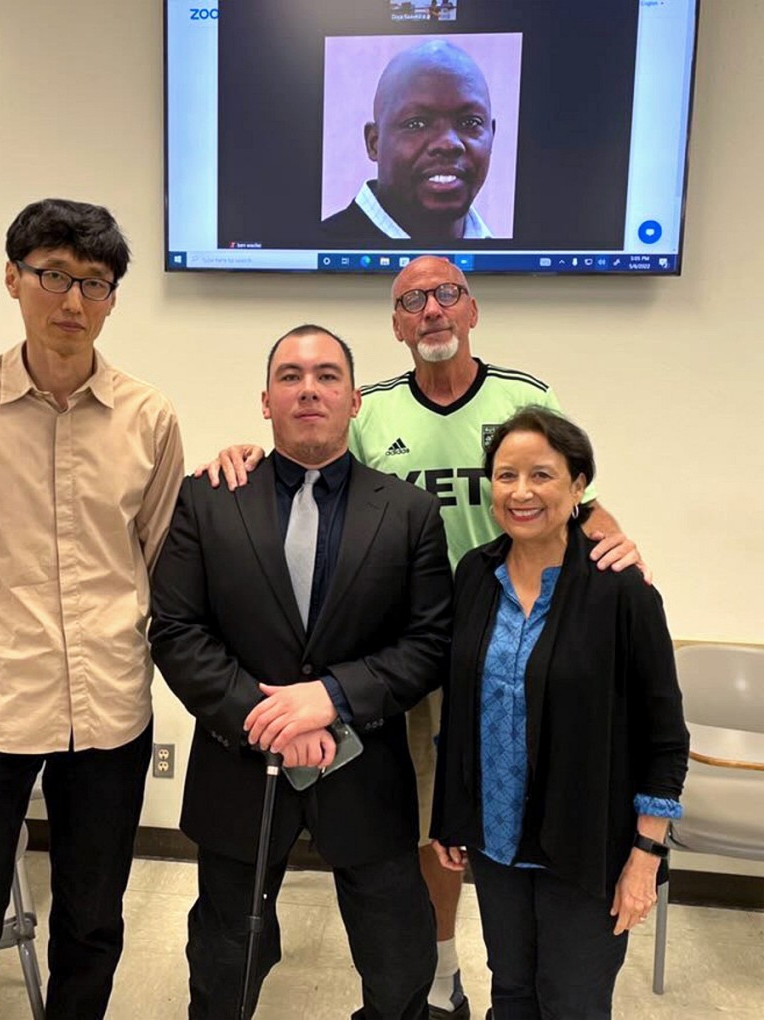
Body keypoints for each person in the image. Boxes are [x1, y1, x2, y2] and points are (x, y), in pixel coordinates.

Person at [200, 255, 645, 1019]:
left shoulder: (523, 396)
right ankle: (442, 972)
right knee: (428, 822)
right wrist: (243, 451)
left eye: (447, 295)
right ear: (396, 325)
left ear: (471, 309)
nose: (432, 311)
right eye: (412, 301)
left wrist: (617, 542)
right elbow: (312, 465)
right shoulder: (370, 408)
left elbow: (575, 491)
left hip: (513, 642)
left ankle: (537, 965)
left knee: (511, 812)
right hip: (406, 648)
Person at [0, 198, 184, 1019]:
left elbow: (161, 555)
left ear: (112, 300)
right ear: (13, 279)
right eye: (53, 276)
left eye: (93, 284)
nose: (72, 302)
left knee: (93, 921)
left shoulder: (150, 417)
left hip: (107, 711)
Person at [150, 325, 452, 1019]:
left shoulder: (408, 514)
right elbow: (176, 630)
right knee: (227, 955)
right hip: (240, 765)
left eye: (326, 376)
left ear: (353, 402)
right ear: (266, 400)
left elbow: (429, 640)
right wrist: (271, 723)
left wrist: (332, 698)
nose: (308, 388)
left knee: (399, 954)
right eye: (290, 376)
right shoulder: (209, 498)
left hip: (364, 767)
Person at [430, 406, 688, 1019]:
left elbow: (665, 736)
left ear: (578, 488)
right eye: (506, 475)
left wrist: (645, 859)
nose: (521, 492)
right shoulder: (474, 575)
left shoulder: (621, 590)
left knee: (571, 1003)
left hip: (586, 848)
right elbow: (461, 707)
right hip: (495, 843)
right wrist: (452, 813)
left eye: (542, 476)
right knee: (512, 993)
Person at [322, 41, 495, 244]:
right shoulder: (324, 244)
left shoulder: (505, 261)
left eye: (469, 122)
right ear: (374, 143)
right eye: (416, 123)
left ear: (492, 135)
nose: (448, 144)